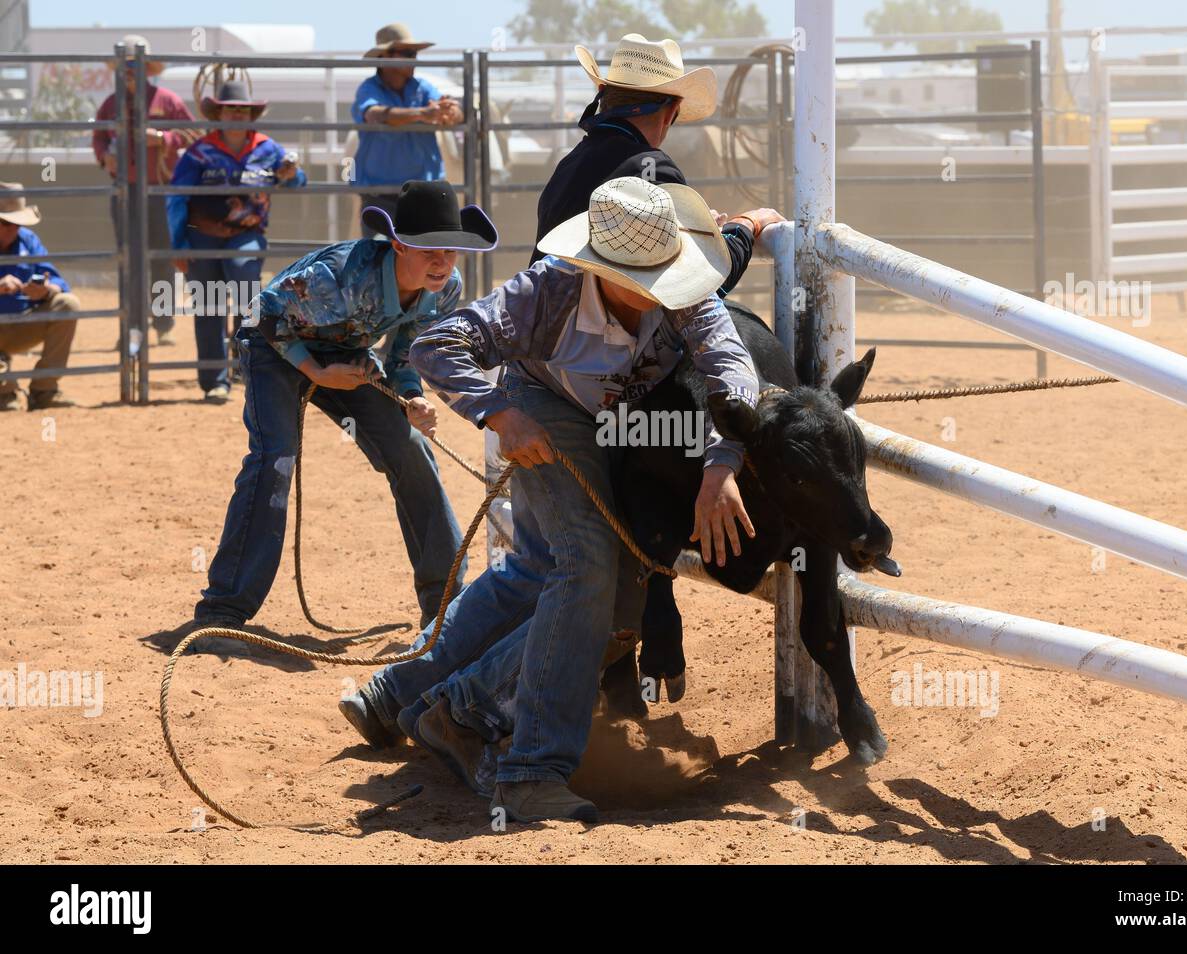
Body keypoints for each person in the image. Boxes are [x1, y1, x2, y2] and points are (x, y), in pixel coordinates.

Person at [339, 177, 761, 823]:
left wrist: (722, 459)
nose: (659, 285)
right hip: (545, 408)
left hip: (610, 427)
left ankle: (399, 693)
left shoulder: (686, 294)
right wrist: (501, 414)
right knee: (587, 559)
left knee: (538, 567)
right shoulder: (550, 290)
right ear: (604, 269)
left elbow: (733, 371)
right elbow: (436, 345)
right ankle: (529, 769)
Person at [188, 180, 496, 652]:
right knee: (275, 459)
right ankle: (222, 612)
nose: (442, 262)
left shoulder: (443, 290)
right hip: (274, 349)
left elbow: (404, 356)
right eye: (428, 249)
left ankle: (445, 607)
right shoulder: (337, 276)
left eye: (451, 250)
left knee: (410, 451)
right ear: (398, 245)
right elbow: (260, 314)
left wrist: (411, 396)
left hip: (346, 355)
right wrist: (315, 370)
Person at [532, 33, 785, 295]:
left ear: (602, 95)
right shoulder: (653, 167)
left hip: (550, 324)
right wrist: (748, 223)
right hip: (604, 334)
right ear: (671, 111)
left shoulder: (569, 162)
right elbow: (702, 282)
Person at [167, 80, 306, 403]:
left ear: (251, 114)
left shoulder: (267, 149)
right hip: (200, 237)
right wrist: (178, 243)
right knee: (208, 306)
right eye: (230, 109)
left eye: (243, 109)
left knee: (247, 291)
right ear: (219, 113)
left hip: (246, 235)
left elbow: (296, 181)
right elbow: (176, 197)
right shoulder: (199, 152)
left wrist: (291, 174)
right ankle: (215, 380)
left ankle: (245, 366)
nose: (237, 114)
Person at [93, 34, 198, 348]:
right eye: (125, 66)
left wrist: (164, 139)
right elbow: (98, 139)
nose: (129, 71)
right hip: (125, 190)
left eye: (134, 65)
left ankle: (162, 324)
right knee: (130, 259)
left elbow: (193, 134)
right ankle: (131, 328)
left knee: (160, 259)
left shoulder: (167, 100)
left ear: (146, 68)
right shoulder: (110, 105)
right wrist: (105, 156)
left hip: (160, 191)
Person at [352, 23, 463, 238]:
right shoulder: (369, 89)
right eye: (407, 53)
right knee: (380, 256)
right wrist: (423, 114)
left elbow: (453, 113)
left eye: (414, 53)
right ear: (385, 56)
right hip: (382, 196)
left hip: (424, 195)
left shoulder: (422, 87)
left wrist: (450, 113)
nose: (414, 58)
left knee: (424, 257)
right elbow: (374, 114)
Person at [0, 183, 81, 412]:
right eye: (6, 223)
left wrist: (46, 290)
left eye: (17, 223)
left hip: (23, 323)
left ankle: (44, 389)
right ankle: (4, 390)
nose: (12, 229)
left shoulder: (28, 240)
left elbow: (59, 283)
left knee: (67, 304)